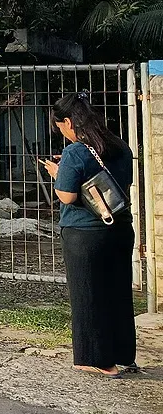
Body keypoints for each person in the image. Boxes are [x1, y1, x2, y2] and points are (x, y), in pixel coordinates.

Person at [39, 93, 138, 379]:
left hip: (85, 234)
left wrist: (59, 173)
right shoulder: (120, 146)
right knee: (118, 293)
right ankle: (123, 354)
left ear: (69, 122)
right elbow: (123, 182)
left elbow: (67, 196)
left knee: (88, 295)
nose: (63, 133)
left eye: (60, 127)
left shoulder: (76, 152)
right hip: (120, 229)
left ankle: (98, 359)